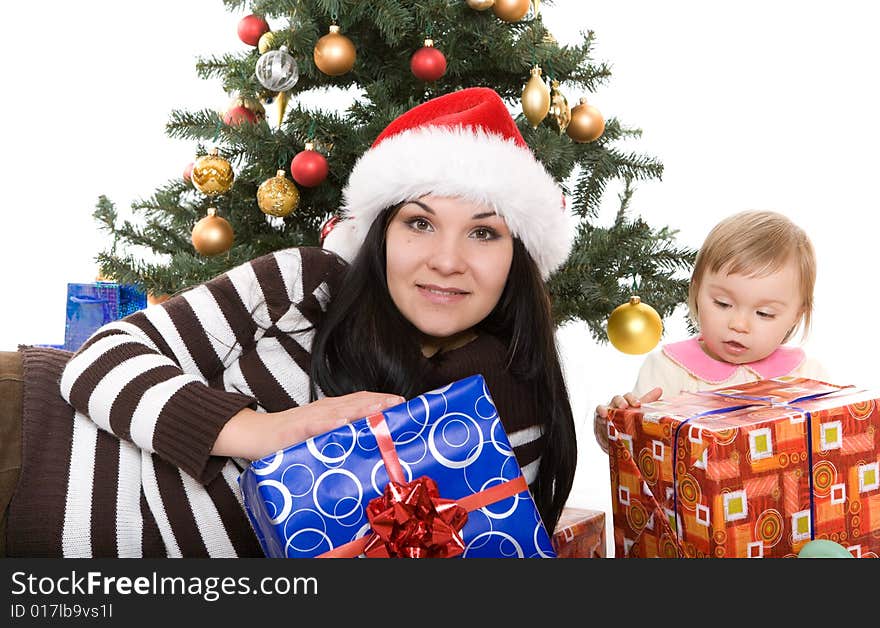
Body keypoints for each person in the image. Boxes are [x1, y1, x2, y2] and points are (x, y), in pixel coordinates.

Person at [3, 87, 578, 557]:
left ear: (518, 255)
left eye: (483, 232)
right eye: (419, 224)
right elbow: (99, 360)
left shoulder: (514, 410)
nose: (447, 260)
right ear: (380, 236)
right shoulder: (305, 283)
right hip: (27, 436)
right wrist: (265, 432)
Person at [594, 209, 829, 453]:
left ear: (796, 315)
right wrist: (614, 425)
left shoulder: (807, 376)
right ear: (696, 291)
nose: (739, 324)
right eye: (722, 303)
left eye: (764, 314)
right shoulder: (669, 370)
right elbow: (635, 452)